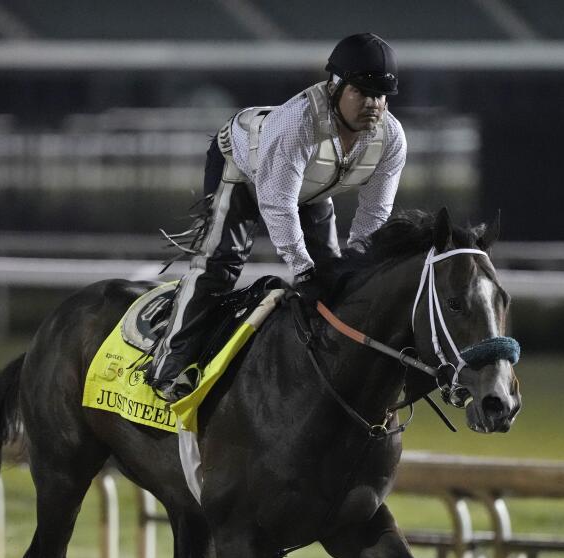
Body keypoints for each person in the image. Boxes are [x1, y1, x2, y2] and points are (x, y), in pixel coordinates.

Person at [145, 32, 408, 402]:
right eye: (362, 92)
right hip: (240, 168)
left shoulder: (392, 138)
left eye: (381, 95)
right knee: (220, 265)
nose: (373, 105)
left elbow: (374, 213)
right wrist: (302, 270)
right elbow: (276, 205)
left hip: (304, 186)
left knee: (335, 274)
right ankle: (169, 367)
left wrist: (357, 266)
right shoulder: (297, 124)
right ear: (334, 87)